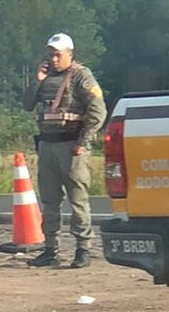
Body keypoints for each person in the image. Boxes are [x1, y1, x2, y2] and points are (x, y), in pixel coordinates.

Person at [22, 32, 107, 269]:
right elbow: (27, 104)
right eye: (51, 54)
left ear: (70, 54)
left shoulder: (82, 77)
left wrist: (83, 141)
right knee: (49, 200)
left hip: (72, 147)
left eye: (58, 54)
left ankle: (83, 249)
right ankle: (50, 248)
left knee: (77, 199)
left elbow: (97, 112)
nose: (54, 59)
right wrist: (37, 81)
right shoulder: (45, 78)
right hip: (48, 145)